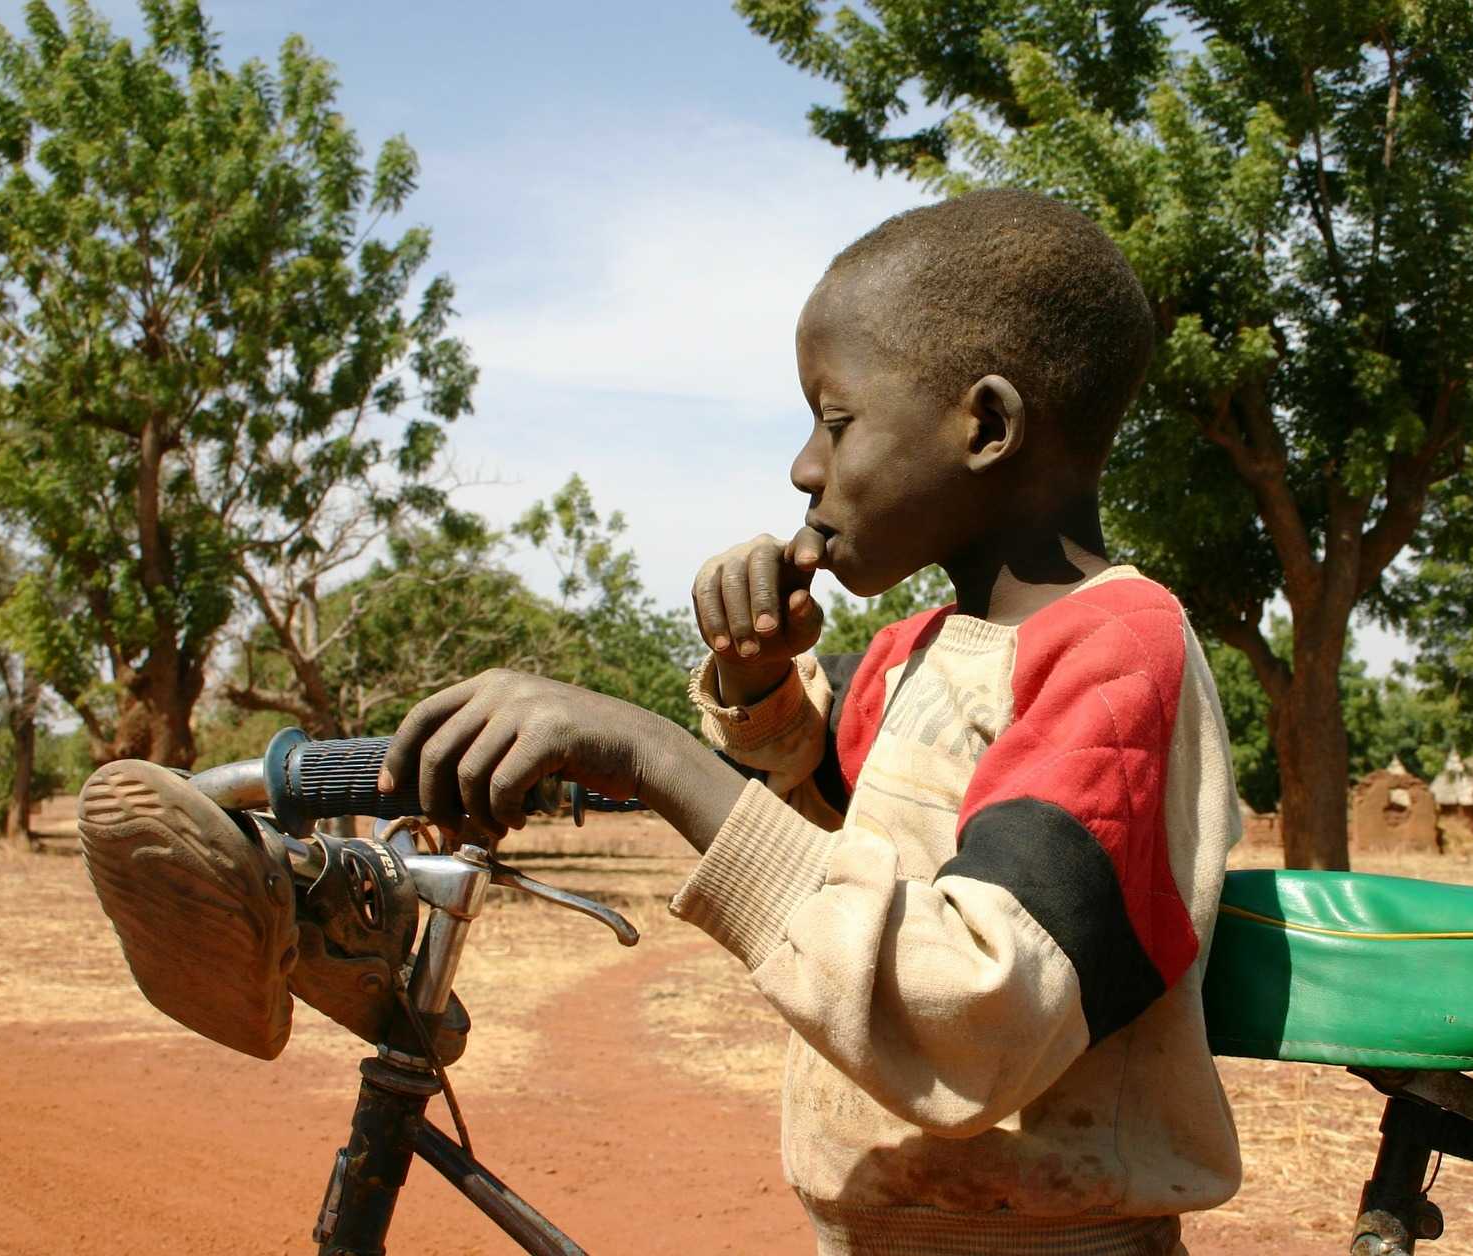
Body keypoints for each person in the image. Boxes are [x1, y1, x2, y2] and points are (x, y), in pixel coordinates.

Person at [377, 189, 1243, 1255]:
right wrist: (756, 683)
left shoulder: (1117, 648)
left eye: (836, 421)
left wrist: (645, 750)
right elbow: (830, 821)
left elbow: (980, 1012)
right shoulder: (913, 651)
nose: (803, 467)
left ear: (986, 426)